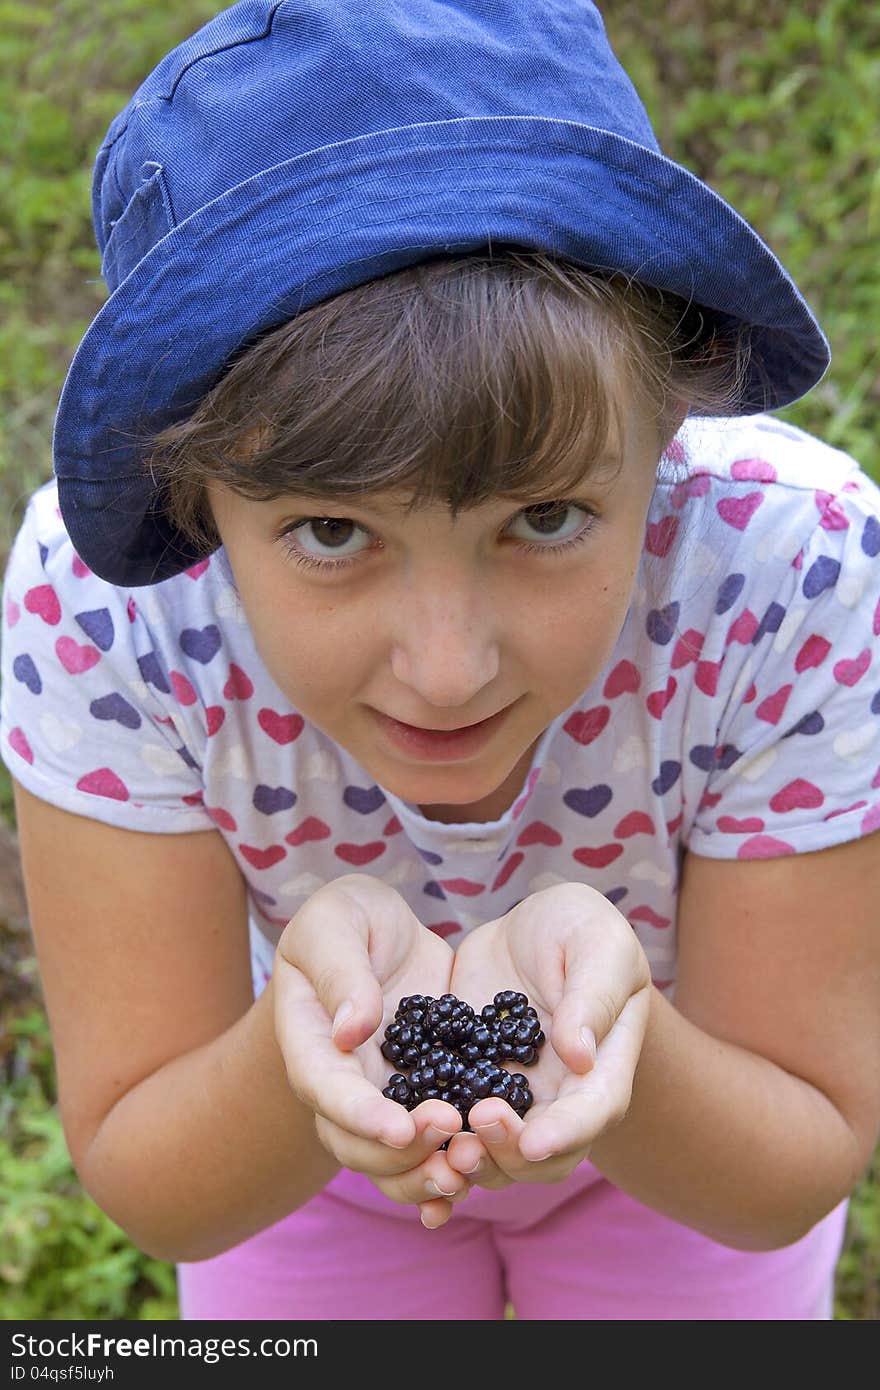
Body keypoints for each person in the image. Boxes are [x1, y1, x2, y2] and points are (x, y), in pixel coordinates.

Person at [2, 0, 878, 1323]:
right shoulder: (113, 617)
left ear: (669, 424)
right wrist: (309, 1053)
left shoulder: (790, 577)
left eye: (544, 516)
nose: (449, 666)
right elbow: (154, 1168)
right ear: (194, 505)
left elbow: (789, 1162)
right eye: (332, 531)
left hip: (694, 1132)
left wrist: (614, 1041)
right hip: (292, 1147)